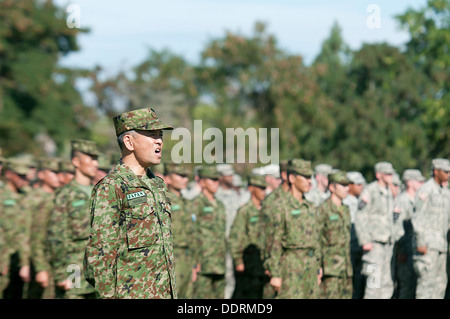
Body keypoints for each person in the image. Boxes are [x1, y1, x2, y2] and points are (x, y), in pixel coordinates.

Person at [84, 107, 177, 299]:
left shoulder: (158, 184)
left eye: (160, 135)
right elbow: (99, 256)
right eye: (151, 135)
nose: (159, 140)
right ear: (129, 142)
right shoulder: (112, 187)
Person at [47, 140, 99, 299]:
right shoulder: (65, 195)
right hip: (74, 268)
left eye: (96, 158)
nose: (95, 163)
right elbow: (57, 236)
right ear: (76, 162)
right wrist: (59, 274)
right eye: (90, 158)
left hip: (99, 271)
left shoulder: (101, 192)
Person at [264, 159, 322, 299]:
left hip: (310, 268)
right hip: (290, 269)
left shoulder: (310, 207)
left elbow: (316, 239)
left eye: (311, 177)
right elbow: (273, 243)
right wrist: (275, 274)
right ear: (292, 178)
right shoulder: (280, 206)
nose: (310, 181)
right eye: (305, 177)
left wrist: (319, 267)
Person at [354, 161, 396, 299]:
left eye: (391, 173)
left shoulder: (390, 192)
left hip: (388, 245)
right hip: (374, 245)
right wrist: (365, 240)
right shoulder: (370, 191)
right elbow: (360, 216)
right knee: (374, 284)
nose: (391, 176)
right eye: (387, 173)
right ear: (379, 175)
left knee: (387, 285)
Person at [411, 158, 450, 299]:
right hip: (427, 247)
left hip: (441, 247)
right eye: (445, 171)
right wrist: (420, 242)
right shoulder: (426, 190)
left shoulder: (445, 192)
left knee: (440, 285)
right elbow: (417, 217)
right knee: (426, 287)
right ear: (435, 171)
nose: (448, 174)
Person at [26, 157, 61, 299]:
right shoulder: (32, 199)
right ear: (41, 175)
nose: (58, 176)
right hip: (38, 259)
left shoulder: (61, 198)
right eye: (53, 172)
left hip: (64, 263)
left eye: (59, 172)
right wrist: (38, 267)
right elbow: (32, 235)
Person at [228, 173, 268, 299]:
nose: (263, 191)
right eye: (260, 188)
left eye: (264, 188)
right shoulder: (245, 211)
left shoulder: (267, 210)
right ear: (251, 188)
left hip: (263, 263)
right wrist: (238, 260)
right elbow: (236, 236)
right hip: (248, 264)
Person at [191, 165, 227, 299]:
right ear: (202, 182)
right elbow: (192, 233)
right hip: (203, 264)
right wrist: (194, 262)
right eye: (212, 180)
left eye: (217, 180)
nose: (216, 183)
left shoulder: (220, 205)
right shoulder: (196, 204)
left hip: (219, 262)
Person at [317, 171, 353, 299]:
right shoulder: (323, 209)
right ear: (332, 187)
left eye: (347, 185)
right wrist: (317, 267)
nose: (347, 189)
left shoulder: (346, 210)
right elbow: (317, 239)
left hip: (346, 269)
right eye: (343, 185)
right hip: (330, 270)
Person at [0, 158, 32, 298]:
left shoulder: (26, 195)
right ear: (8, 174)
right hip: (4, 259)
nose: (23, 179)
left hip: (21, 259)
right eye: (19, 175)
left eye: (25, 175)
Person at [392, 169, 425, 299]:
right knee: (406, 287)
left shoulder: (416, 200)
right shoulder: (402, 200)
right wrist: (401, 250)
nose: (422, 183)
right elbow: (397, 227)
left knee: (414, 286)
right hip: (405, 251)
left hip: (414, 250)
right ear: (410, 182)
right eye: (419, 181)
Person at [164, 161, 195, 299]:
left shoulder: (187, 202)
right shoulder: (164, 200)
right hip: (172, 256)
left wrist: (195, 262)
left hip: (188, 257)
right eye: (180, 176)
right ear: (168, 178)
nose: (185, 180)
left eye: (186, 176)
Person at [343, 171, 366, 299]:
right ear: (349, 185)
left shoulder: (360, 200)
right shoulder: (345, 202)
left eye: (361, 184)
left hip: (360, 247)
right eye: (357, 184)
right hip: (350, 248)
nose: (360, 187)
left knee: (360, 282)